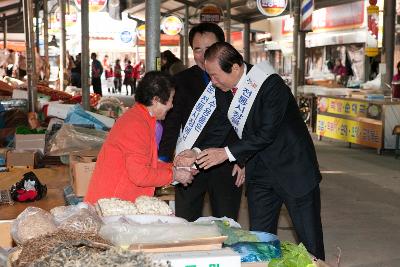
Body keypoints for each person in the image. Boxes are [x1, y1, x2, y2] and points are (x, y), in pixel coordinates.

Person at [189, 42, 325, 260]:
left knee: (310, 244)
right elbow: (222, 125)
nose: (212, 82)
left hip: (293, 170)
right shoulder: (223, 88)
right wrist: (196, 151)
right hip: (259, 173)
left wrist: (227, 153)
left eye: (214, 76)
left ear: (234, 68)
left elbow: (266, 133)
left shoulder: (270, 84)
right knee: (261, 242)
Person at [158, 23, 244, 222]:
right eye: (198, 49)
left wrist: (243, 159)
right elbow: (171, 125)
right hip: (189, 164)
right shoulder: (180, 81)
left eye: (210, 48)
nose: (204, 55)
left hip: (226, 164)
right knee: (185, 223)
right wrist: (163, 161)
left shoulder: (238, 77)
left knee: (226, 226)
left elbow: (247, 124)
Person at [84, 71, 195, 204]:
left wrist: (174, 168)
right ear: (156, 100)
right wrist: (174, 175)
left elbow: (147, 163)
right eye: (171, 99)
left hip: (117, 200)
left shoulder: (142, 119)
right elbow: (141, 175)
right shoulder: (136, 125)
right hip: (113, 202)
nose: (172, 105)